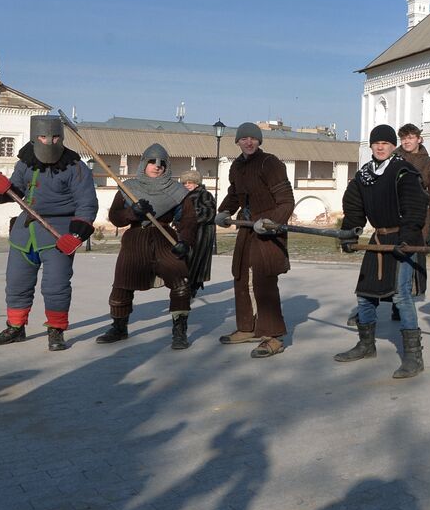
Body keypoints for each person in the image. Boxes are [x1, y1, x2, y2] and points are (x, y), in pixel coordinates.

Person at [0, 114, 98, 351]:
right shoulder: (25, 163)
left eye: (55, 136)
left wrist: (76, 235)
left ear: (62, 137)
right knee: (16, 283)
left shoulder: (76, 168)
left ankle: (56, 330)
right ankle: (15, 327)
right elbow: (15, 192)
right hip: (24, 234)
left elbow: (87, 204)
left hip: (59, 235)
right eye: (43, 137)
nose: (49, 141)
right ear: (35, 137)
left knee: (56, 286)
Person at [334, 124, 429, 378]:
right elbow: (354, 206)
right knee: (364, 294)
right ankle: (366, 345)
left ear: (392, 145)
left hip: (402, 239)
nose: (380, 147)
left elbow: (415, 206)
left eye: (385, 143)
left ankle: (413, 357)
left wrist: (408, 238)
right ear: (371, 146)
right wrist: (349, 232)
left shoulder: (403, 171)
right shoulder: (365, 175)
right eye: (376, 143)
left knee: (401, 296)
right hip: (378, 240)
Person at [97, 144, 199, 350]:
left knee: (180, 279)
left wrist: (184, 242)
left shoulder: (178, 191)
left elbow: (189, 220)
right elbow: (115, 217)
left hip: (164, 238)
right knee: (123, 281)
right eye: (152, 161)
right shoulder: (129, 187)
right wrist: (132, 212)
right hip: (135, 238)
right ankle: (119, 326)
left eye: (162, 163)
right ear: (144, 163)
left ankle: (179, 331)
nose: (157, 166)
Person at [215, 122, 295, 358]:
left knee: (264, 280)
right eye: (244, 139)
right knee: (241, 277)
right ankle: (247, 328)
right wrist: (224, 212)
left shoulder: (270, 163)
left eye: (253, 138)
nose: (248, 142)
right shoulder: (237, 166)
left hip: (268, 230)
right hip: (246, 228)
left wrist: (270, 222)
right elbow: (234, 195)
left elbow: (286, 201)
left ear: (259, 141)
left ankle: (273, 337)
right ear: (237, 142)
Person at [398, 124, 430, 298]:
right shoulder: (394, 159)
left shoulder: (429, 164)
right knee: (394, 258)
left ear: (419, 139)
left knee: (414, 257)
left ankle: (407, 298)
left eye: (410, 137)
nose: (407, 141)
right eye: (403, 138)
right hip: (396, 216)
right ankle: (395, 301)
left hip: (420, 220)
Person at [178, 169, 217, 297]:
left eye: (190, 182)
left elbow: (209, 213)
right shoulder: (183, 196)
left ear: (197, 183)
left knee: (195, 261)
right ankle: (186, 286)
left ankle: (192, 287)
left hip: (201, 234)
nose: (187, 185)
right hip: (187, 233)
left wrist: (190, 218)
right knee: (184, 260)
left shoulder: (204, 195)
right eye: (184, 183)